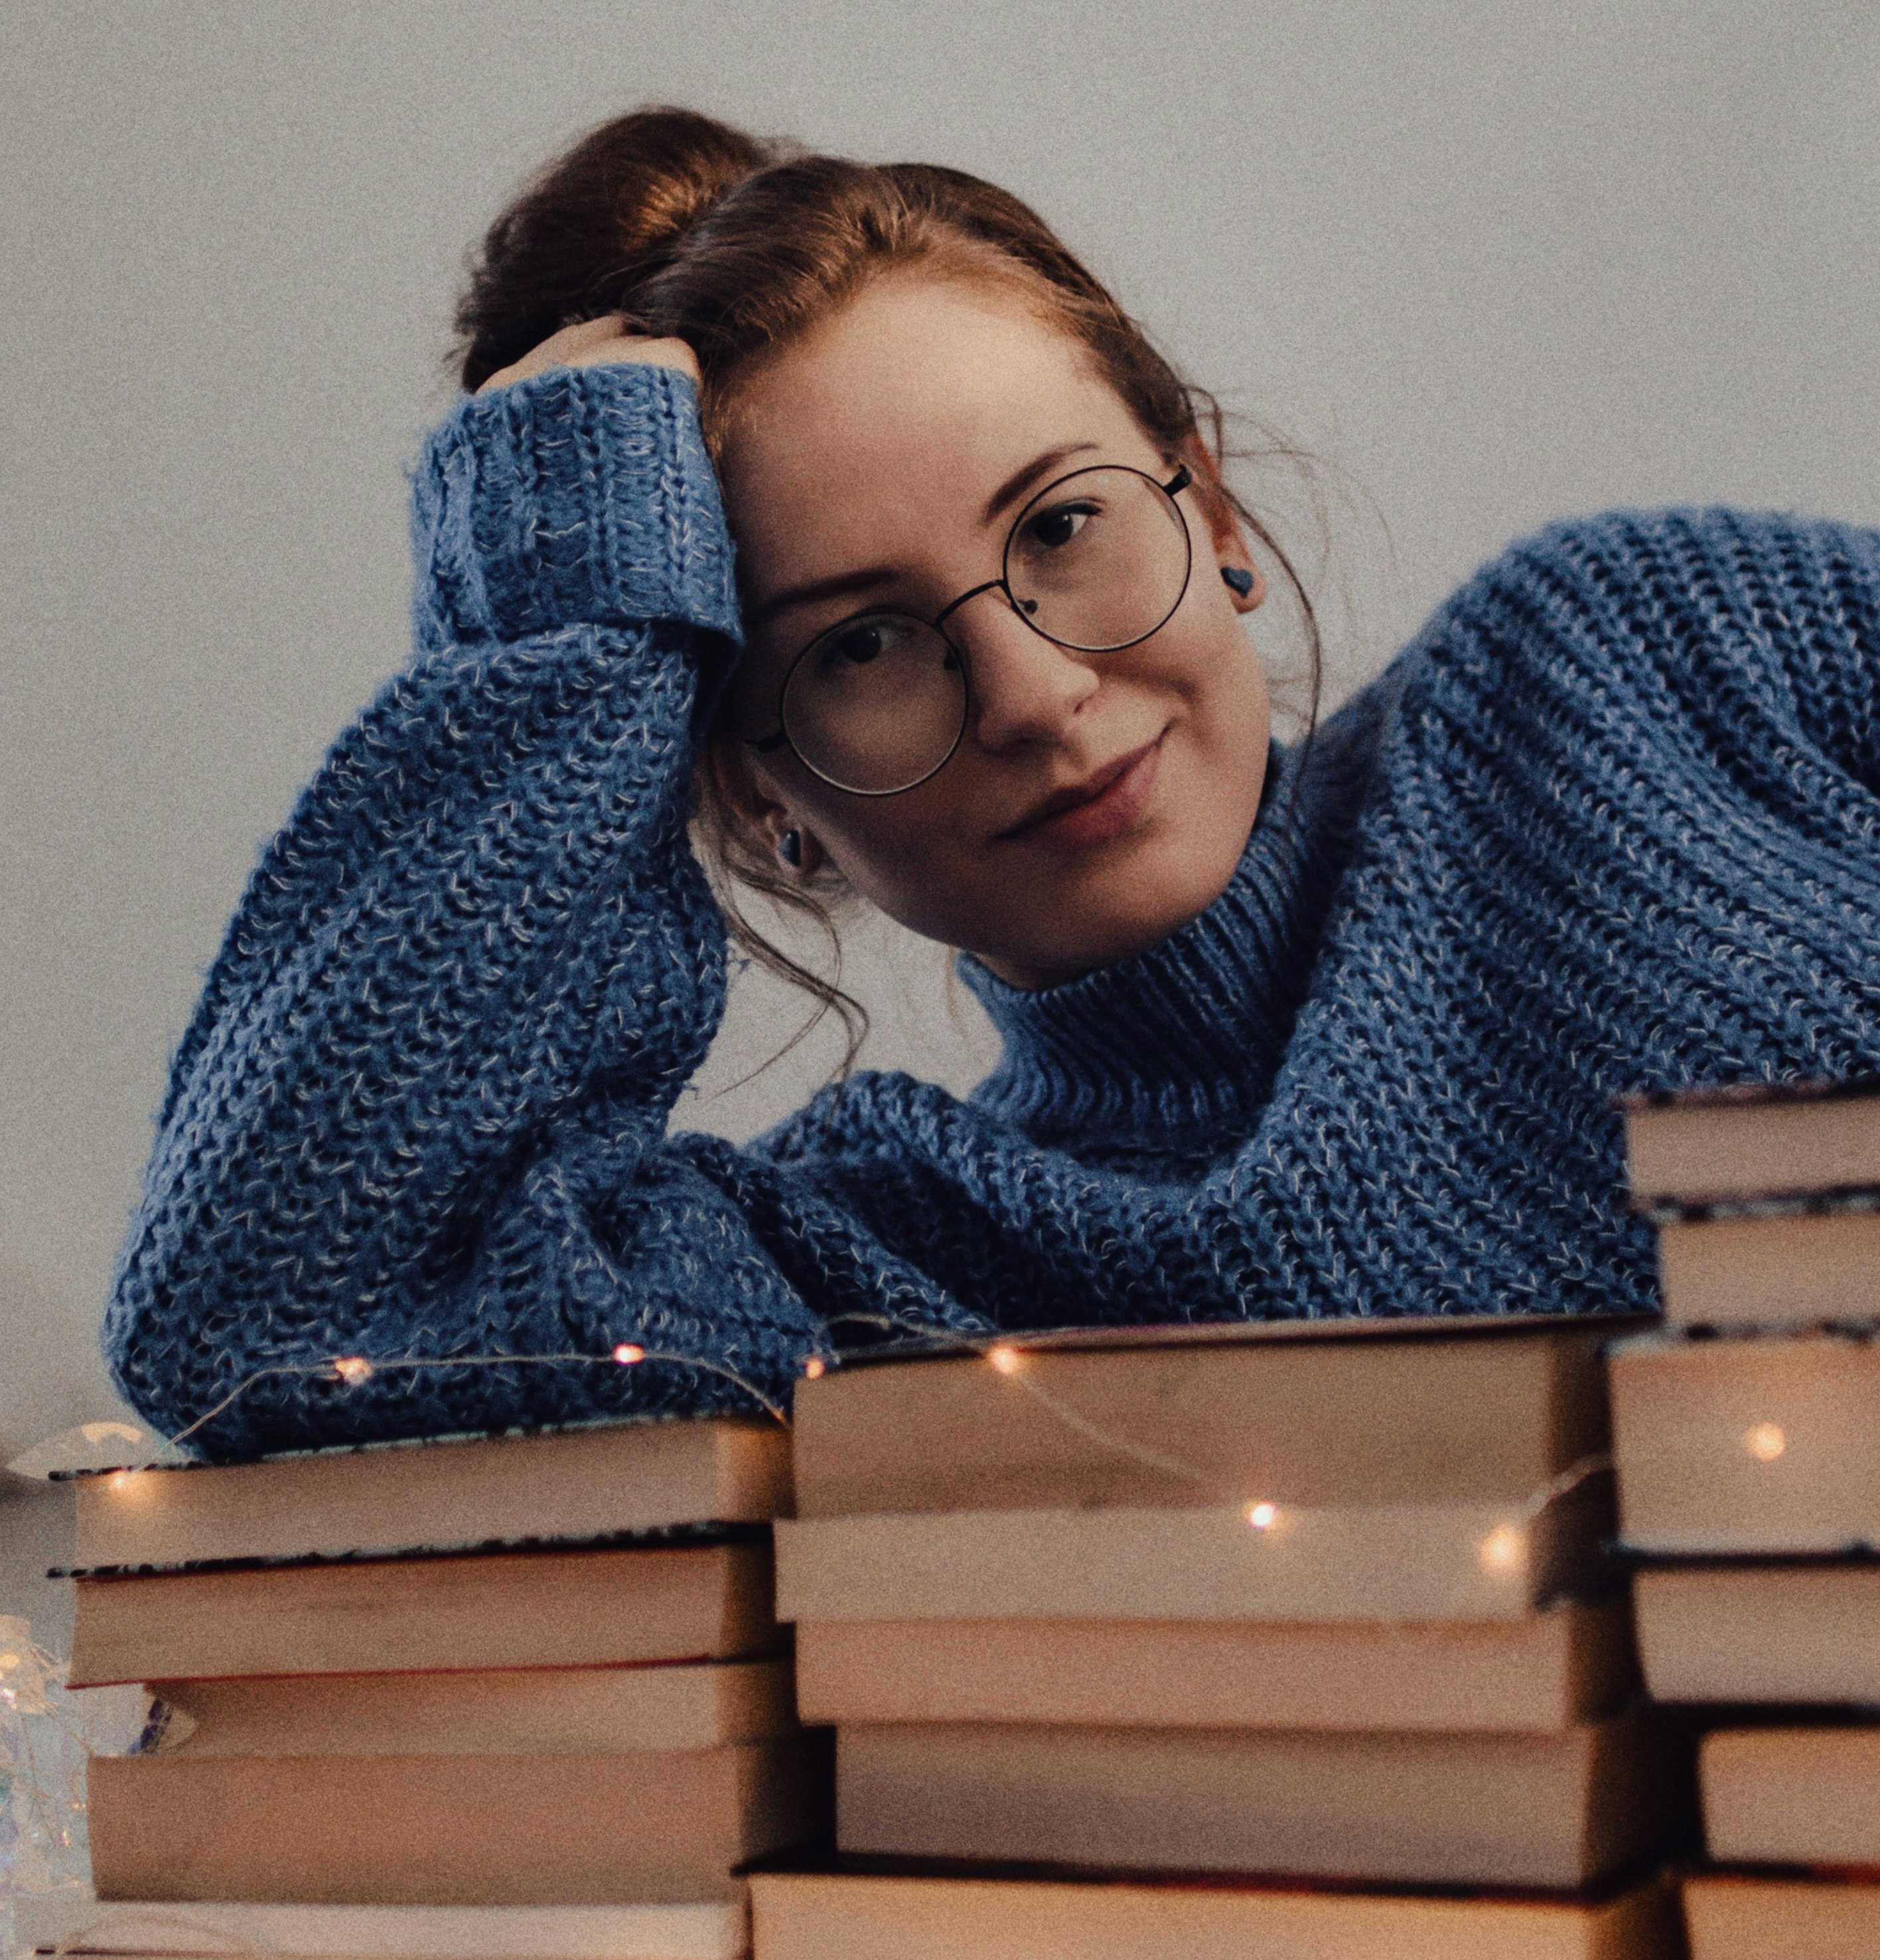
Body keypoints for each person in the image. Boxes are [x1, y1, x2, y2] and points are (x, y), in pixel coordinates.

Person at [104, 107, 1880, 1458]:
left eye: (1061, 524)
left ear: (1213, 509)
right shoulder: (891, 1261)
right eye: (860, 647)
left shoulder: (1634, 655)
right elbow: (253, 1315)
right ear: (753, 793)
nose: (1032, 693)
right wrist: (567, 613)